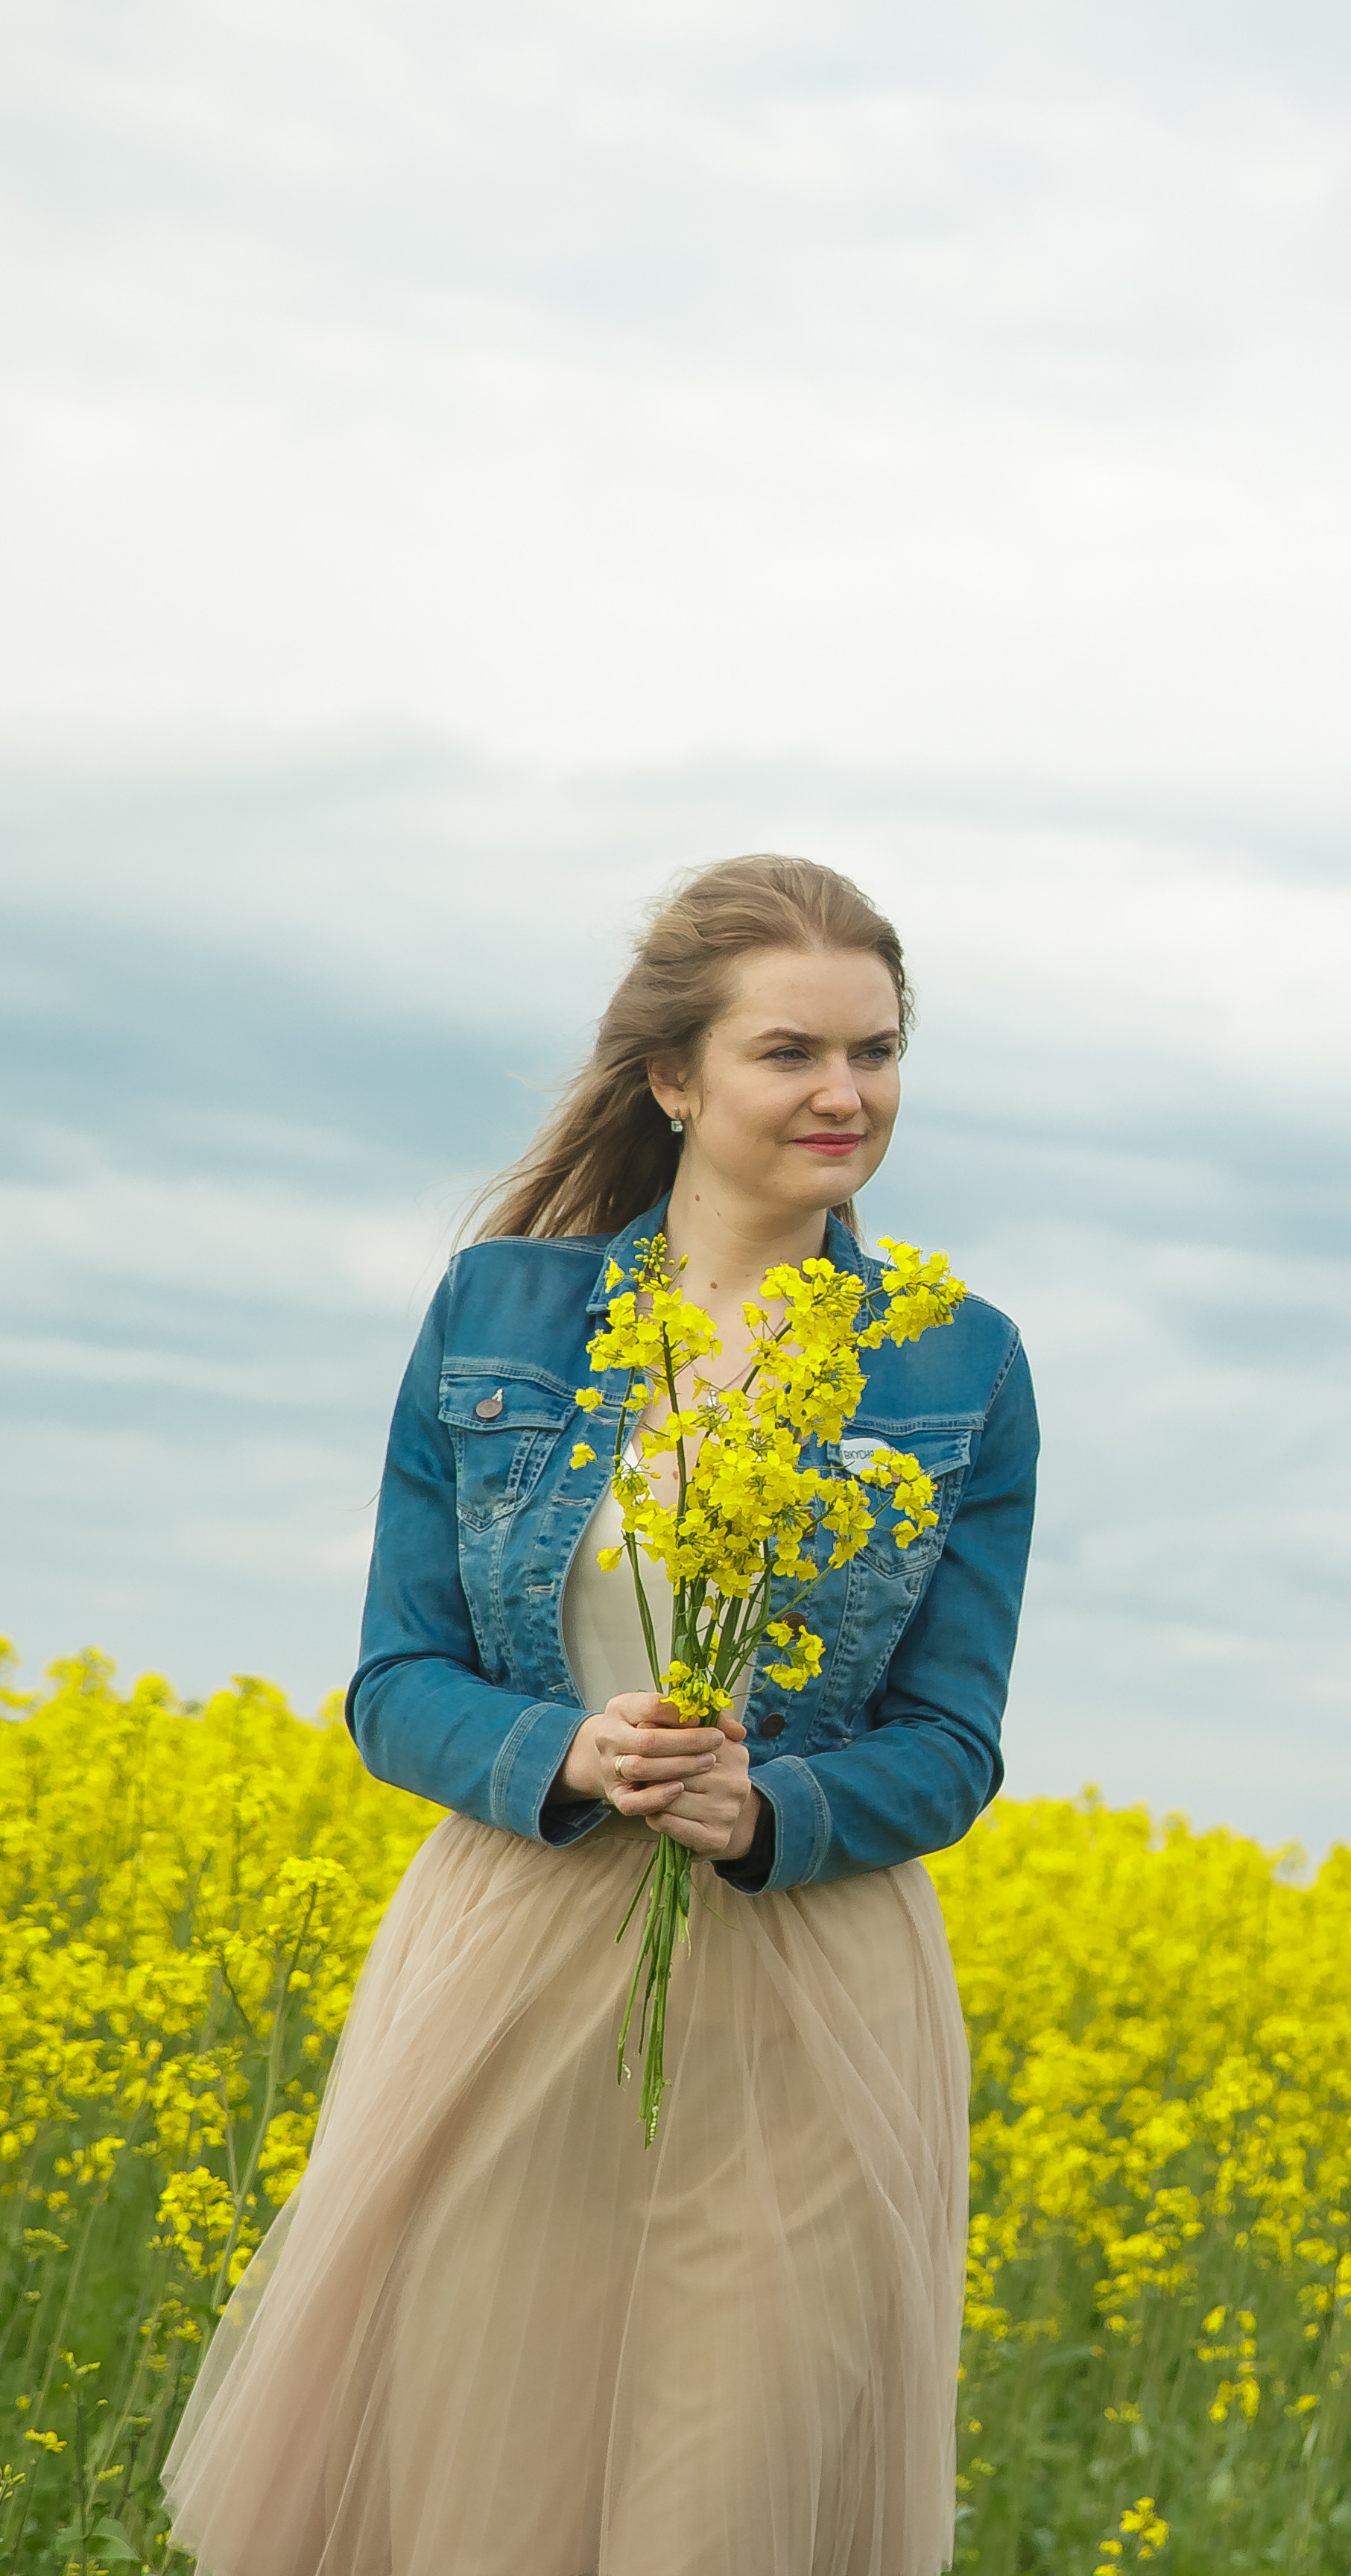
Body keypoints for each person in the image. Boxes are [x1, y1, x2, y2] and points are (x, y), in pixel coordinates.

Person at [162, 853, 1039, 2576]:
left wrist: (770, 1810)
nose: (846, 1094)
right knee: (482, 2499)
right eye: (792, 1052)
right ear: (673, 1079)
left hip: (810, 1999)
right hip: (515, 1962)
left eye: (875, 1052)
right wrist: (564, 1752)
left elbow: (954, 1741)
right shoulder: (500, 1312)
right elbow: (396, 1681)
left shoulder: (964, 1364)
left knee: (722, 2514)